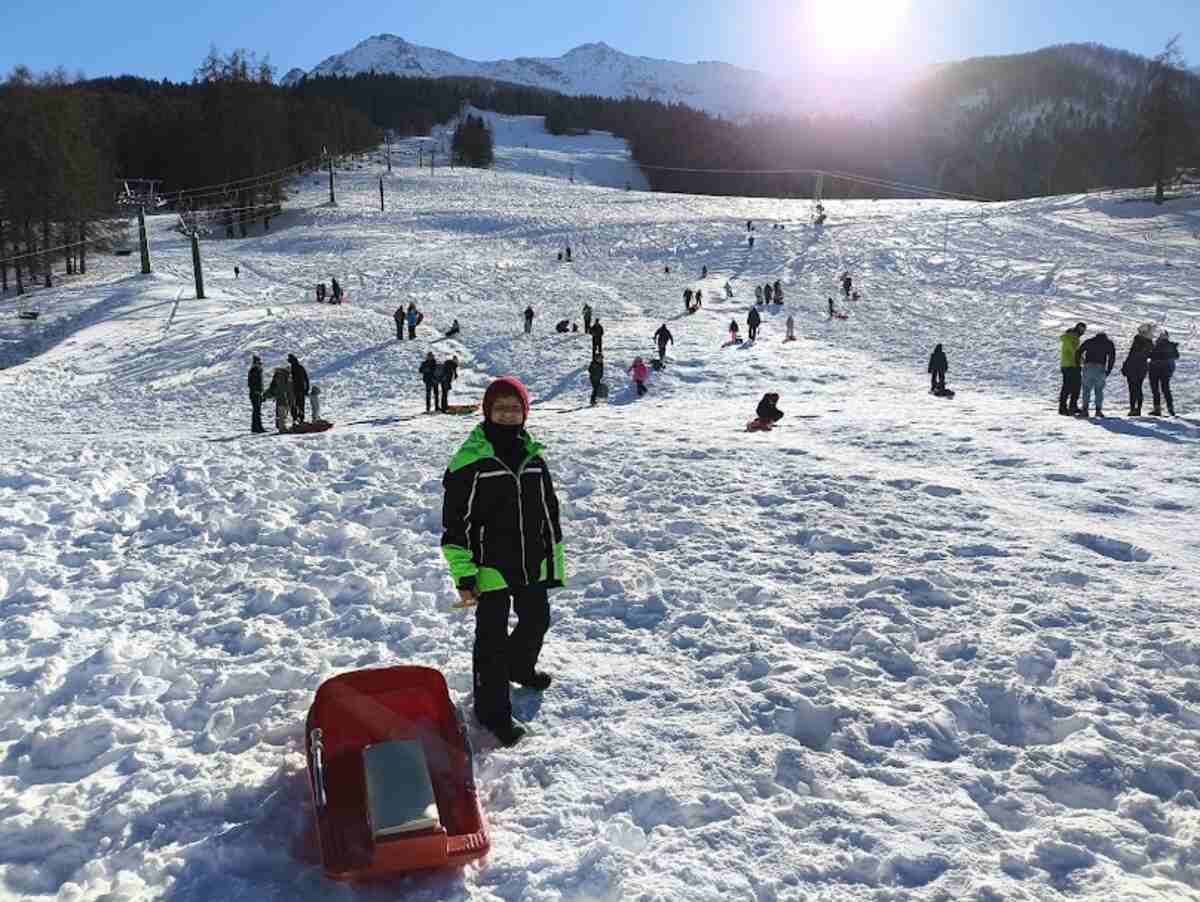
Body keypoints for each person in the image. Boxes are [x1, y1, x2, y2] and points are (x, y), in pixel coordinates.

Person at [440, 376, 565, 748]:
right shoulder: (470, 461)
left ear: (524, 412)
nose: (508, 414)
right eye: (500, 408)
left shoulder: (533, 457)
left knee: (537, 619)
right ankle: (491, 711)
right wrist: (464, 573)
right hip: (489, 567)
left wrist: (553, 561)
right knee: (491, 640)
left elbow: (549, 513)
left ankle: (520, 667)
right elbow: (455, 524)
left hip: (531, 563)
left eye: (515, 408)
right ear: (488, 410)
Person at [1076, 329, 1116, 418]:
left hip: (1088, 366)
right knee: (1099, 390)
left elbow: (1078, 352)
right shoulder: (1108, 343)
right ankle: (1098, 411)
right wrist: (1108, 370)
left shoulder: (1090, 341)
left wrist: (1080, 363)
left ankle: (1085, 410)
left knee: (1086, 389)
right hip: (1100, 368)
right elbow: (1112, 358)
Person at [1120, 325, 1154, 416]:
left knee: (1132, 389)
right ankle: (1138, 409)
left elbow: (1132, 354)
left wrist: (1125, 366)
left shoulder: (1138, 340)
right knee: (1138, 388)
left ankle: (1133, 409)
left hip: (1133, 367)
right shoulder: (1150, 343)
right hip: (1142, 368)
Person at [1148, 331, 1179, 416]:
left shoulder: (1156, 345)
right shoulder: (1170, 346)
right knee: (1165, 389)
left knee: (1155, 390)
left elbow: (1150, 355)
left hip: (1154, 370)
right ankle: (1170, 409)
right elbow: (1176, 356)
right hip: (1165, 371)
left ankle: (1157, 409)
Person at [1058, 322, 1087, 415]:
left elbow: (1076, 352)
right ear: (1077, 329)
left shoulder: (1074, 338)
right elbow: (1074, 351)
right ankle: (1063, 408)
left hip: (1072, 365)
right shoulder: (1071, 338)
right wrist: (1084, 361)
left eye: (1084, 330)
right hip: (1070, 365)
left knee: (1075, 386)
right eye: (1081, 330)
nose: (1082, 332)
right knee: (1068, 387)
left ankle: (1072, 406)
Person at [263, 367, 292, 433]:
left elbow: (273, 388)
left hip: (281, 397)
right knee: (282, 414)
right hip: (283, 398)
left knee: (282, 413)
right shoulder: (284, 376)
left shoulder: (282, 376)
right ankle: (282, 428)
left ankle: (282, 427)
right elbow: (282, 388)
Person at [287, 354, 309, 424]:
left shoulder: (291, 369)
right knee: (300, 405)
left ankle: (296, 419)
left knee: (295, 405)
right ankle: (300, 419)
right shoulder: (299, 367)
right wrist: (307, 389)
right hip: (299, 390)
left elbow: (306, 379)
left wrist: (306, 389)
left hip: (295, 390)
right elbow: (306, 379)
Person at [248, 355, 265, 434]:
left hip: (258, 393)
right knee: (256, 411)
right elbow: (251, 383)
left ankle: (257, 427)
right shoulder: (254, 370)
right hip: (255, 393)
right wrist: (256, 391)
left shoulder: (258, 370)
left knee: (257, 411)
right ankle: (257, 427)